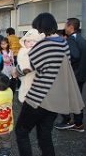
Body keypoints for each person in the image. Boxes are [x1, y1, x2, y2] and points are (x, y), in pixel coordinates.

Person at [15, 13, 84, 156]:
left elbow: (27, 68)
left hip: (38, 97)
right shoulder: (63, 43)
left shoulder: (43, 45)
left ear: (41, 28)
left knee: (21, 131)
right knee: (44, 134)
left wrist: (15, 71)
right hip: (55, 98)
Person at [55, 18, 86, 132]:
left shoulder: (71, 40)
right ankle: (77, 123)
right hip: (81, 75)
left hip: (74, 75)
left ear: (71, 27)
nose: (64, 28)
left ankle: (72, 122)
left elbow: (75, 56)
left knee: (67, 98)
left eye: (65, 26)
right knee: (76, 98)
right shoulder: (81, 38)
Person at [16, 29, 43, 103]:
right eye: (28, 41)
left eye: (34, 41)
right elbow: (20, 63)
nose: (31, 43)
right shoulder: (23, 51)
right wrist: (22, 68)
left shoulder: (40, 51)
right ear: (24, 43)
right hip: (26, 77)